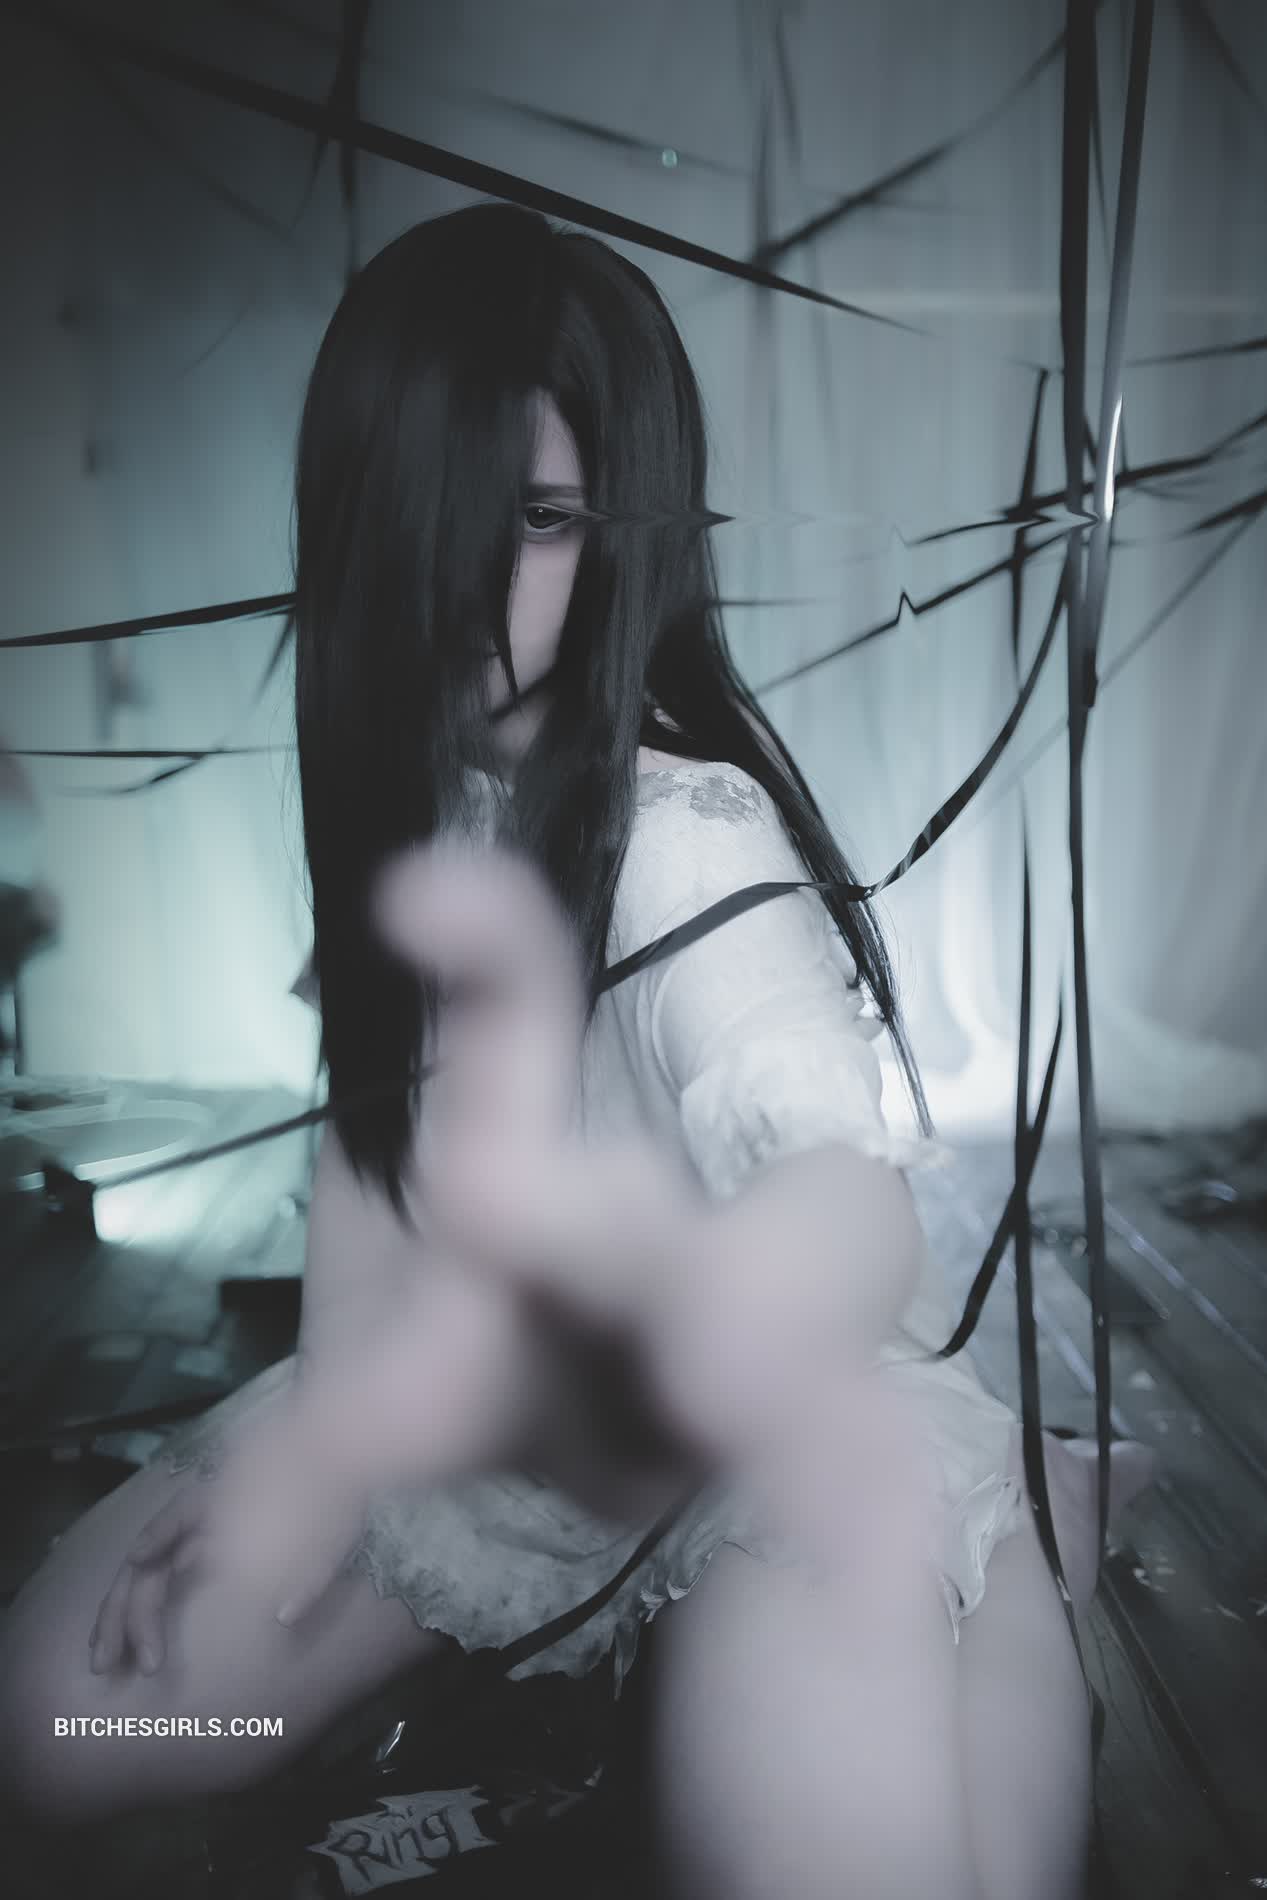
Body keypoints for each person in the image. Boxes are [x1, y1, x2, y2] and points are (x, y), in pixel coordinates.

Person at [0, 203, 1153, 1898]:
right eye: (439, 510)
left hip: (751, 1445)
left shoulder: (689, 837)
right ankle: (611, 1683)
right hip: (489, 1461)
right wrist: (312, 1449)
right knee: (58, 1725)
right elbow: (373, 1161)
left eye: (540, 520)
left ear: (625, 529)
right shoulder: (412, 802)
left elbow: (846, 1202)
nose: (477, 588)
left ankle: (1008, 1566)